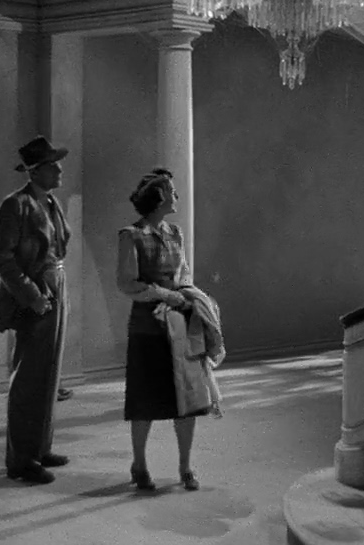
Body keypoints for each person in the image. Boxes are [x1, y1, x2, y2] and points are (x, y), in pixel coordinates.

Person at [116, 168, 214, 492]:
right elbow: (127, 283)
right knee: (144, 401)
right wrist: (162, 294)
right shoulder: (131, 235)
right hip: (146, 329)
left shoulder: (175, 233)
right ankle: (139, 465)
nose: (176, 197)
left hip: (179, 328)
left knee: (185, 401)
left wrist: (187, 294)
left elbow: (183, 271)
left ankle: (186, 466)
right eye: (172, 192)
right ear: (159, 199)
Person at [0, 135, 72, 485]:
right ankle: (20, 460)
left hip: (56, 289)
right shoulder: (16, 205)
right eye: (53, 165)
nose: (59, 170)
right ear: (36, 172)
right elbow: (3, 258)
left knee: (49, 374)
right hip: (34, 296)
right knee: (27, 379)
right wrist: (32, 295)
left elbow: (58, 246)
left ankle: (40, 447)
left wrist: (54, 287)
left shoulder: (52, 203)